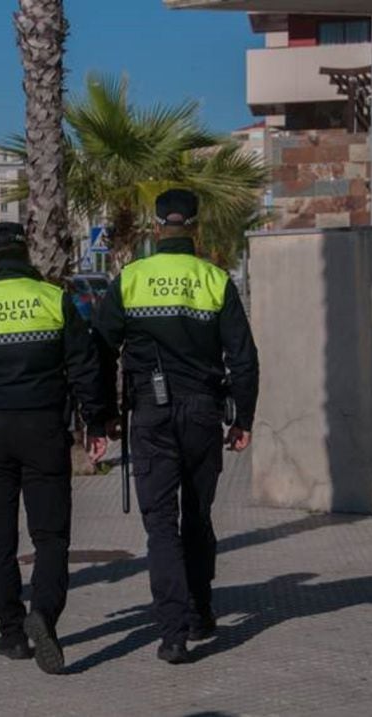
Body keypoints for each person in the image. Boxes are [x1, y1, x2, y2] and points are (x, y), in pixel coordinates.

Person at [93, 189, 259, 665]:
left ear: (156, 225)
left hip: (150, 414)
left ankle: (172, 633)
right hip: (204, 412)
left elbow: (100, 348)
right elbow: (243, 358)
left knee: (161, 526)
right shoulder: (213, 278)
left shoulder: (131, 279)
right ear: (195, 223)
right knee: (198, 517)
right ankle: (203, 609)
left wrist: (101, 412)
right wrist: (243, 417)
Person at [0, 222, 108, 675]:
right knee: (50, 536)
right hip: (45, 428)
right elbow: (84, 364)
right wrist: (96, 421)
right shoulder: (53, 299)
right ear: (25, 254)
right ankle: (44, 614)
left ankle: (12, 633)